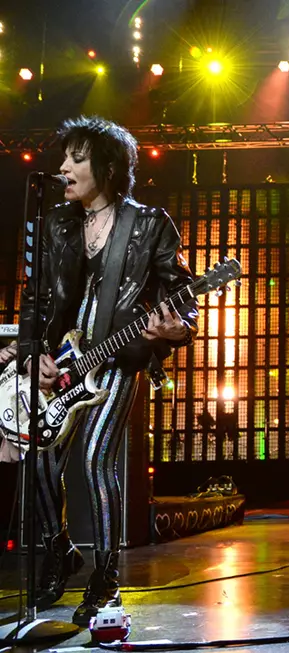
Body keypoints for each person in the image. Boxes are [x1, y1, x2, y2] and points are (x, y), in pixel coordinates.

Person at [17, 116, 198, 624]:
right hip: (64, 364)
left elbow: (182, 300)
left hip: (117, 360)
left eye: (76, 158)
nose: (64, 167)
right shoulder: (55, 222)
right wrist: (35, 354)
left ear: (108, 166)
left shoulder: (148, 224)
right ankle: (58, 550)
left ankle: (106, 575)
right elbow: (36, 300)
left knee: (97, 460)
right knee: (40, 458)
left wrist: (174, 330)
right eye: (64, 157)